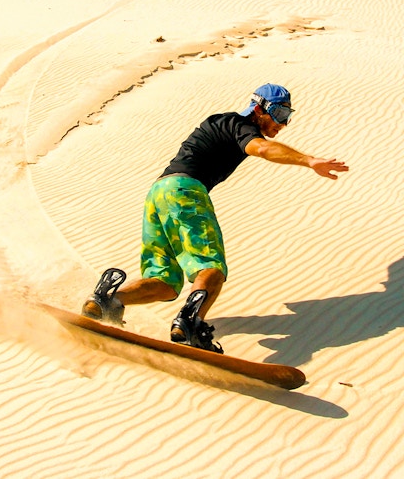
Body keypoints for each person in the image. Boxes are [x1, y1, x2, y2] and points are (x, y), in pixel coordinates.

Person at [82, 83, 349, 353]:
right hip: (186, 192)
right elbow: (264, 149)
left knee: (165, 283)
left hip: (158, 194)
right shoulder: (240, 124)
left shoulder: (221, 123)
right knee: (211, 267)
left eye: (288, 116)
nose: (283, 123)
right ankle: (190, 324)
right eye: (279, 114)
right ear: (258, 109)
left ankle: (108, 300)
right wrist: (310, 160)